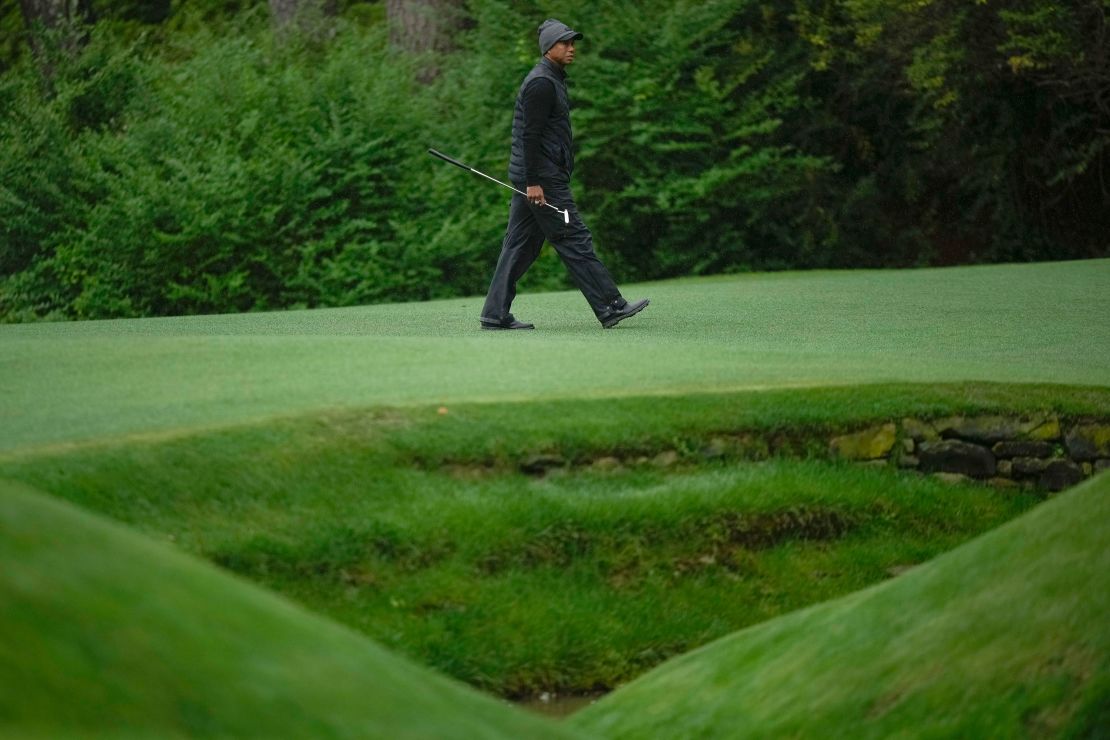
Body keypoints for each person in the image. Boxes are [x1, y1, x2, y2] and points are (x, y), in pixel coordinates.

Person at [479, 19, 650, 330]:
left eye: (573, 43)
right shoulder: (541, 83)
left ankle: (494, 313)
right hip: (542, 180)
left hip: (537, 177)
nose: (571, 48)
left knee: (520, 244)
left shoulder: (552, 78)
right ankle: (610, 305)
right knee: (573, 237)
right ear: (548, 48)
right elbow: (529, 137)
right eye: (564, 43)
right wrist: (534, 183)